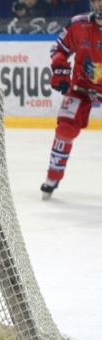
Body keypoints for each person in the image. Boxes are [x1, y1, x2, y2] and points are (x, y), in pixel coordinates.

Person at [41, 0, 102, 199]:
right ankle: (52, 178)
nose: (100, 3)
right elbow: (58, 49)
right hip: (80, 88)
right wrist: (60, 69)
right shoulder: (78, 24)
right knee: (65, 128)